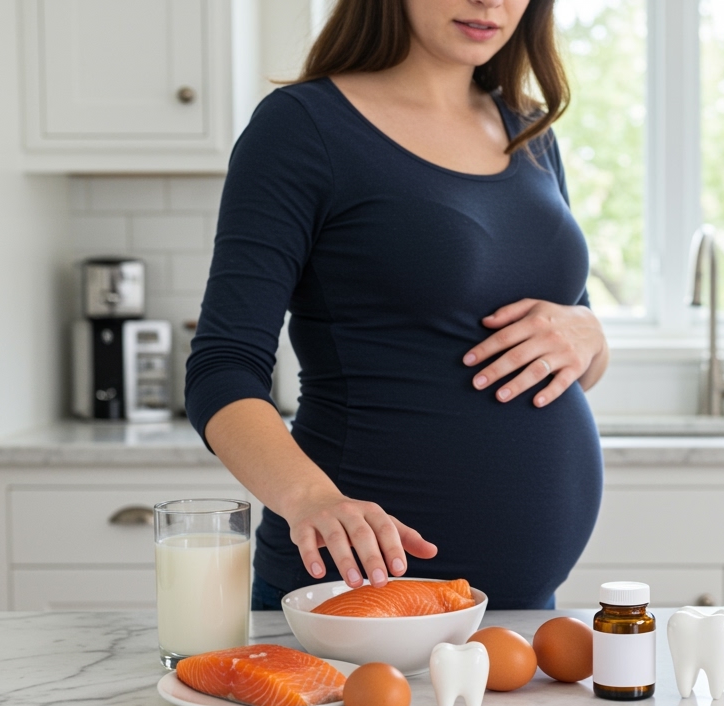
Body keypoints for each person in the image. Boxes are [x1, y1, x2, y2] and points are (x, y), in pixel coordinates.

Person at [185, 0, 608, 611]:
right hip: (356, 599)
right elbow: (221, 369)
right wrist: (310, 499)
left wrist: (590, 333)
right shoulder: (303, 127)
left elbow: (569, 352)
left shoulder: (527, 128)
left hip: (524, 608)